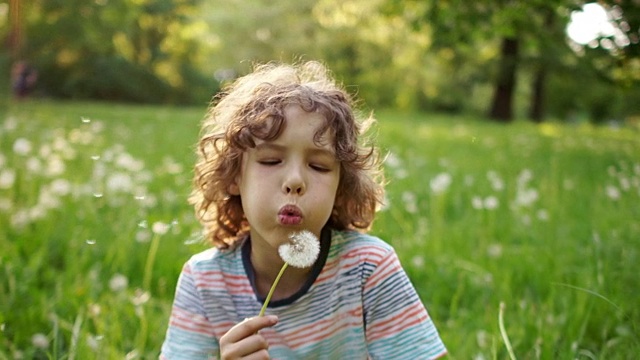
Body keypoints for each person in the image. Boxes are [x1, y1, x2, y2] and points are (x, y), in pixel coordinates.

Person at [160, 61, 447, 359]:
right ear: (234, 177)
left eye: (319, 166)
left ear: (340, 188)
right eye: (271, 161)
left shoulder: (367, 269)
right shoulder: (205, 281)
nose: (295, 181)